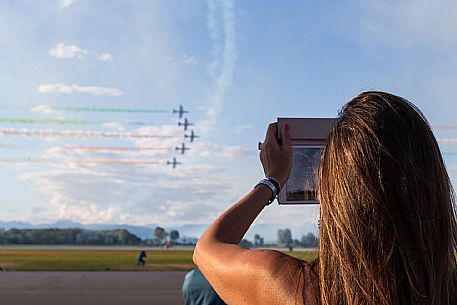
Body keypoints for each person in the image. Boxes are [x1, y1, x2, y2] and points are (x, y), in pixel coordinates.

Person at [193, 91, 457, 305]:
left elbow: (207, 248)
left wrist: (272, 181)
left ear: (336, 194)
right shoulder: (446, 289)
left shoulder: (294, 289)